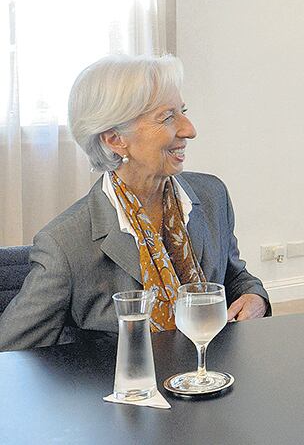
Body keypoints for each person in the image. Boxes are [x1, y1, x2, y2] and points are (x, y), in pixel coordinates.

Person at [0, 55, 270, 352]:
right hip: (131, 394)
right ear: (115, 139)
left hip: (212, 380)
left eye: (183, 111)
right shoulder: (65, 243)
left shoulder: (211, 194)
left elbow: (236, 278)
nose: (189, 129)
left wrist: (254, 299)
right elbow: (12, 351)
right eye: (167, 117)